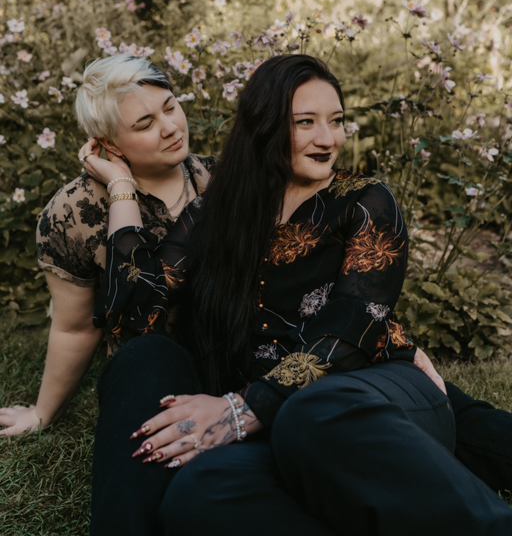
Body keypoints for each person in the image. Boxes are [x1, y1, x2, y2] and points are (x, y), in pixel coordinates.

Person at [85, 54, 512, 535]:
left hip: (368, 400)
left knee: (312, 411)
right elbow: (132, 316)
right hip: (273, 432)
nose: (327, 139)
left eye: (336, 121)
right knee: (200, 488)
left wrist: (238, 409)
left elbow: (352, 322)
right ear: (263, 127)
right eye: (305, 122)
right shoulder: (213, 214)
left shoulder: (366, 200)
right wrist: (121, 186)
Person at [0, 53, 214, 436]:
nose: (170, 128)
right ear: (109, 144)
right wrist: (41, 413)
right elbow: (75, 327)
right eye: (145, 124)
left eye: (170, 107)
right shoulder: (72, 215)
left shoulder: (220, 180)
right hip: (150, 369)